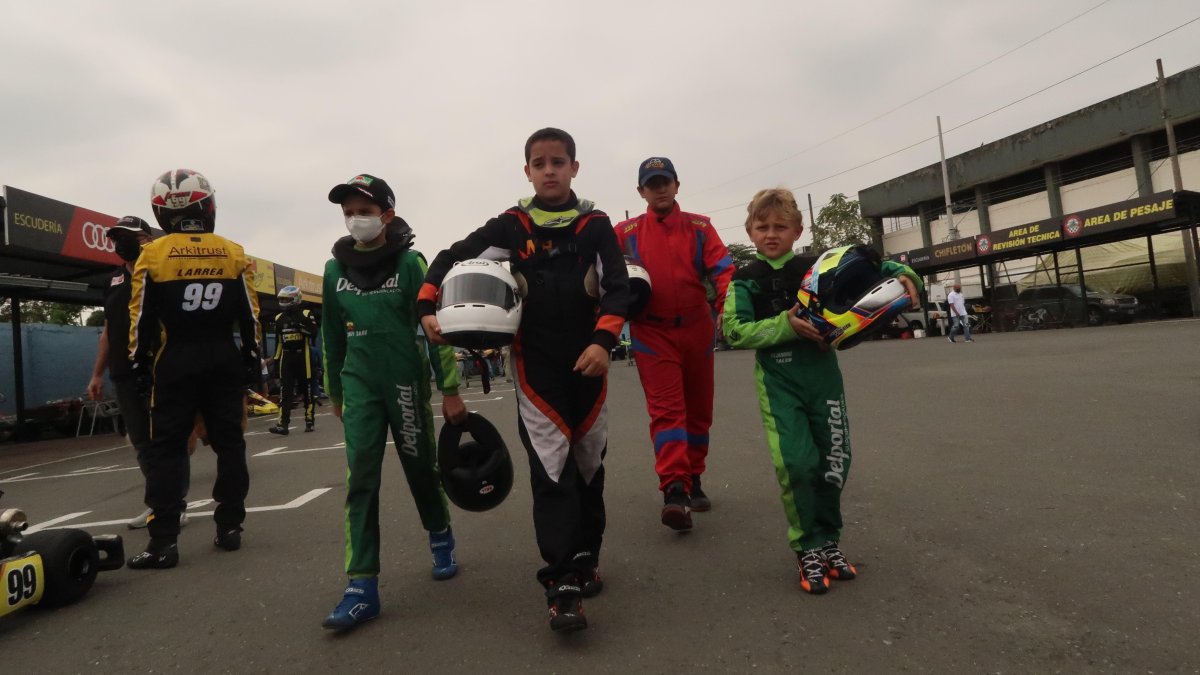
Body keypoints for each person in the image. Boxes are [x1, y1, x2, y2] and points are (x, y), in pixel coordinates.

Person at [419, 127, 631, 633]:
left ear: (575, 168)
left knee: (587, 465)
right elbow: (450, 257)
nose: (550, 170)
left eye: (559, 161)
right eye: (539, 163)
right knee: (550, 468)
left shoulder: (596, 225)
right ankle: (560, 583)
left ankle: (587, 556)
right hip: (534, 367)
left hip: (590, 364)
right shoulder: (511, 225)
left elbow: (619, 287)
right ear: (527, 171)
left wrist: (603, 343)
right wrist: (426, 305)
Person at [721, 189, 920, 594]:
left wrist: (907, 276)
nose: (771, 234)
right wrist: (785, 325)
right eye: (763, 227)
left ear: (797, 230)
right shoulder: (743, 279)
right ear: (750, 231)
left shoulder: (818, 264)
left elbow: (877, 263)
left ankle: (829, 541)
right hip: (778, 380)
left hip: (823, 374)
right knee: (796, 464)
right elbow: (732, 331)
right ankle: (807, 545)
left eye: (780, 226)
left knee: (834, 462)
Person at [320, 174, 467, 632]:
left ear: (386, 214)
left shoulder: (410, 263)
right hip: (359, 382)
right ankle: (361, 586)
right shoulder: (333, 270)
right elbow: (329, 334)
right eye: (347, 211)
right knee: (360, 478)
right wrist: (336, 392)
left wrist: (450, 388)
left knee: (420, 465)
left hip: (404, 380)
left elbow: (434, 325)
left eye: (363, 210)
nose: (354, 219)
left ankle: (440, 534)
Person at [126, 169, 262, 569]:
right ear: (207, 205)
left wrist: (137, 364)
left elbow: (140, 319)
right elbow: (251, 315)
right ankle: (230, 527)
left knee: (166, 450)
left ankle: (164, 542)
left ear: (162, 212)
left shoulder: (152, 254)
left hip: (175, 360)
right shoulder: (234, 252)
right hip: (224, 356)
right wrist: (253, 358)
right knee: (230, 444)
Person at [614, 157, 733, 531]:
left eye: (665, 181)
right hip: (651, 332)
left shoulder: (701, 227)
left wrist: (728, 309)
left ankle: (694, 476)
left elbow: (724, 269)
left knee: (698, 411)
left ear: (677, 185)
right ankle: (674, 490)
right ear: (641, 192)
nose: (660, 188)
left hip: (698, 329)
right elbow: (603, 276)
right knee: (668, 412)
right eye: (652, 184)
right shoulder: (625, 232)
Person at [85, 216, 190, 530]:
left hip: (160, 368)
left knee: (168, 438)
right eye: (115, 238)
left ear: (147, 238)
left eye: (127, 236)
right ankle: (159, 503)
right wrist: (96, 374)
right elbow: (107, 332)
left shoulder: (165, 273)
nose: (120, 243)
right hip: (123, 372)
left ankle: (175, 505)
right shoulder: (113, 281)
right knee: (141, 442)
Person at [268, 285, 318, 435]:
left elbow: (312, 333)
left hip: (303, 355)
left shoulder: (306, 313)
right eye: (281, 299)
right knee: (285, 392)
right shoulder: (278, 318)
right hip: (287, 357)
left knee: (307, 390)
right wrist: (276, 363)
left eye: (286, 299)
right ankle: (283, 424)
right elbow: (279, 343)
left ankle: (309, 421)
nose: (283, 301)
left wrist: (298, 325)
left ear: (295, 299)